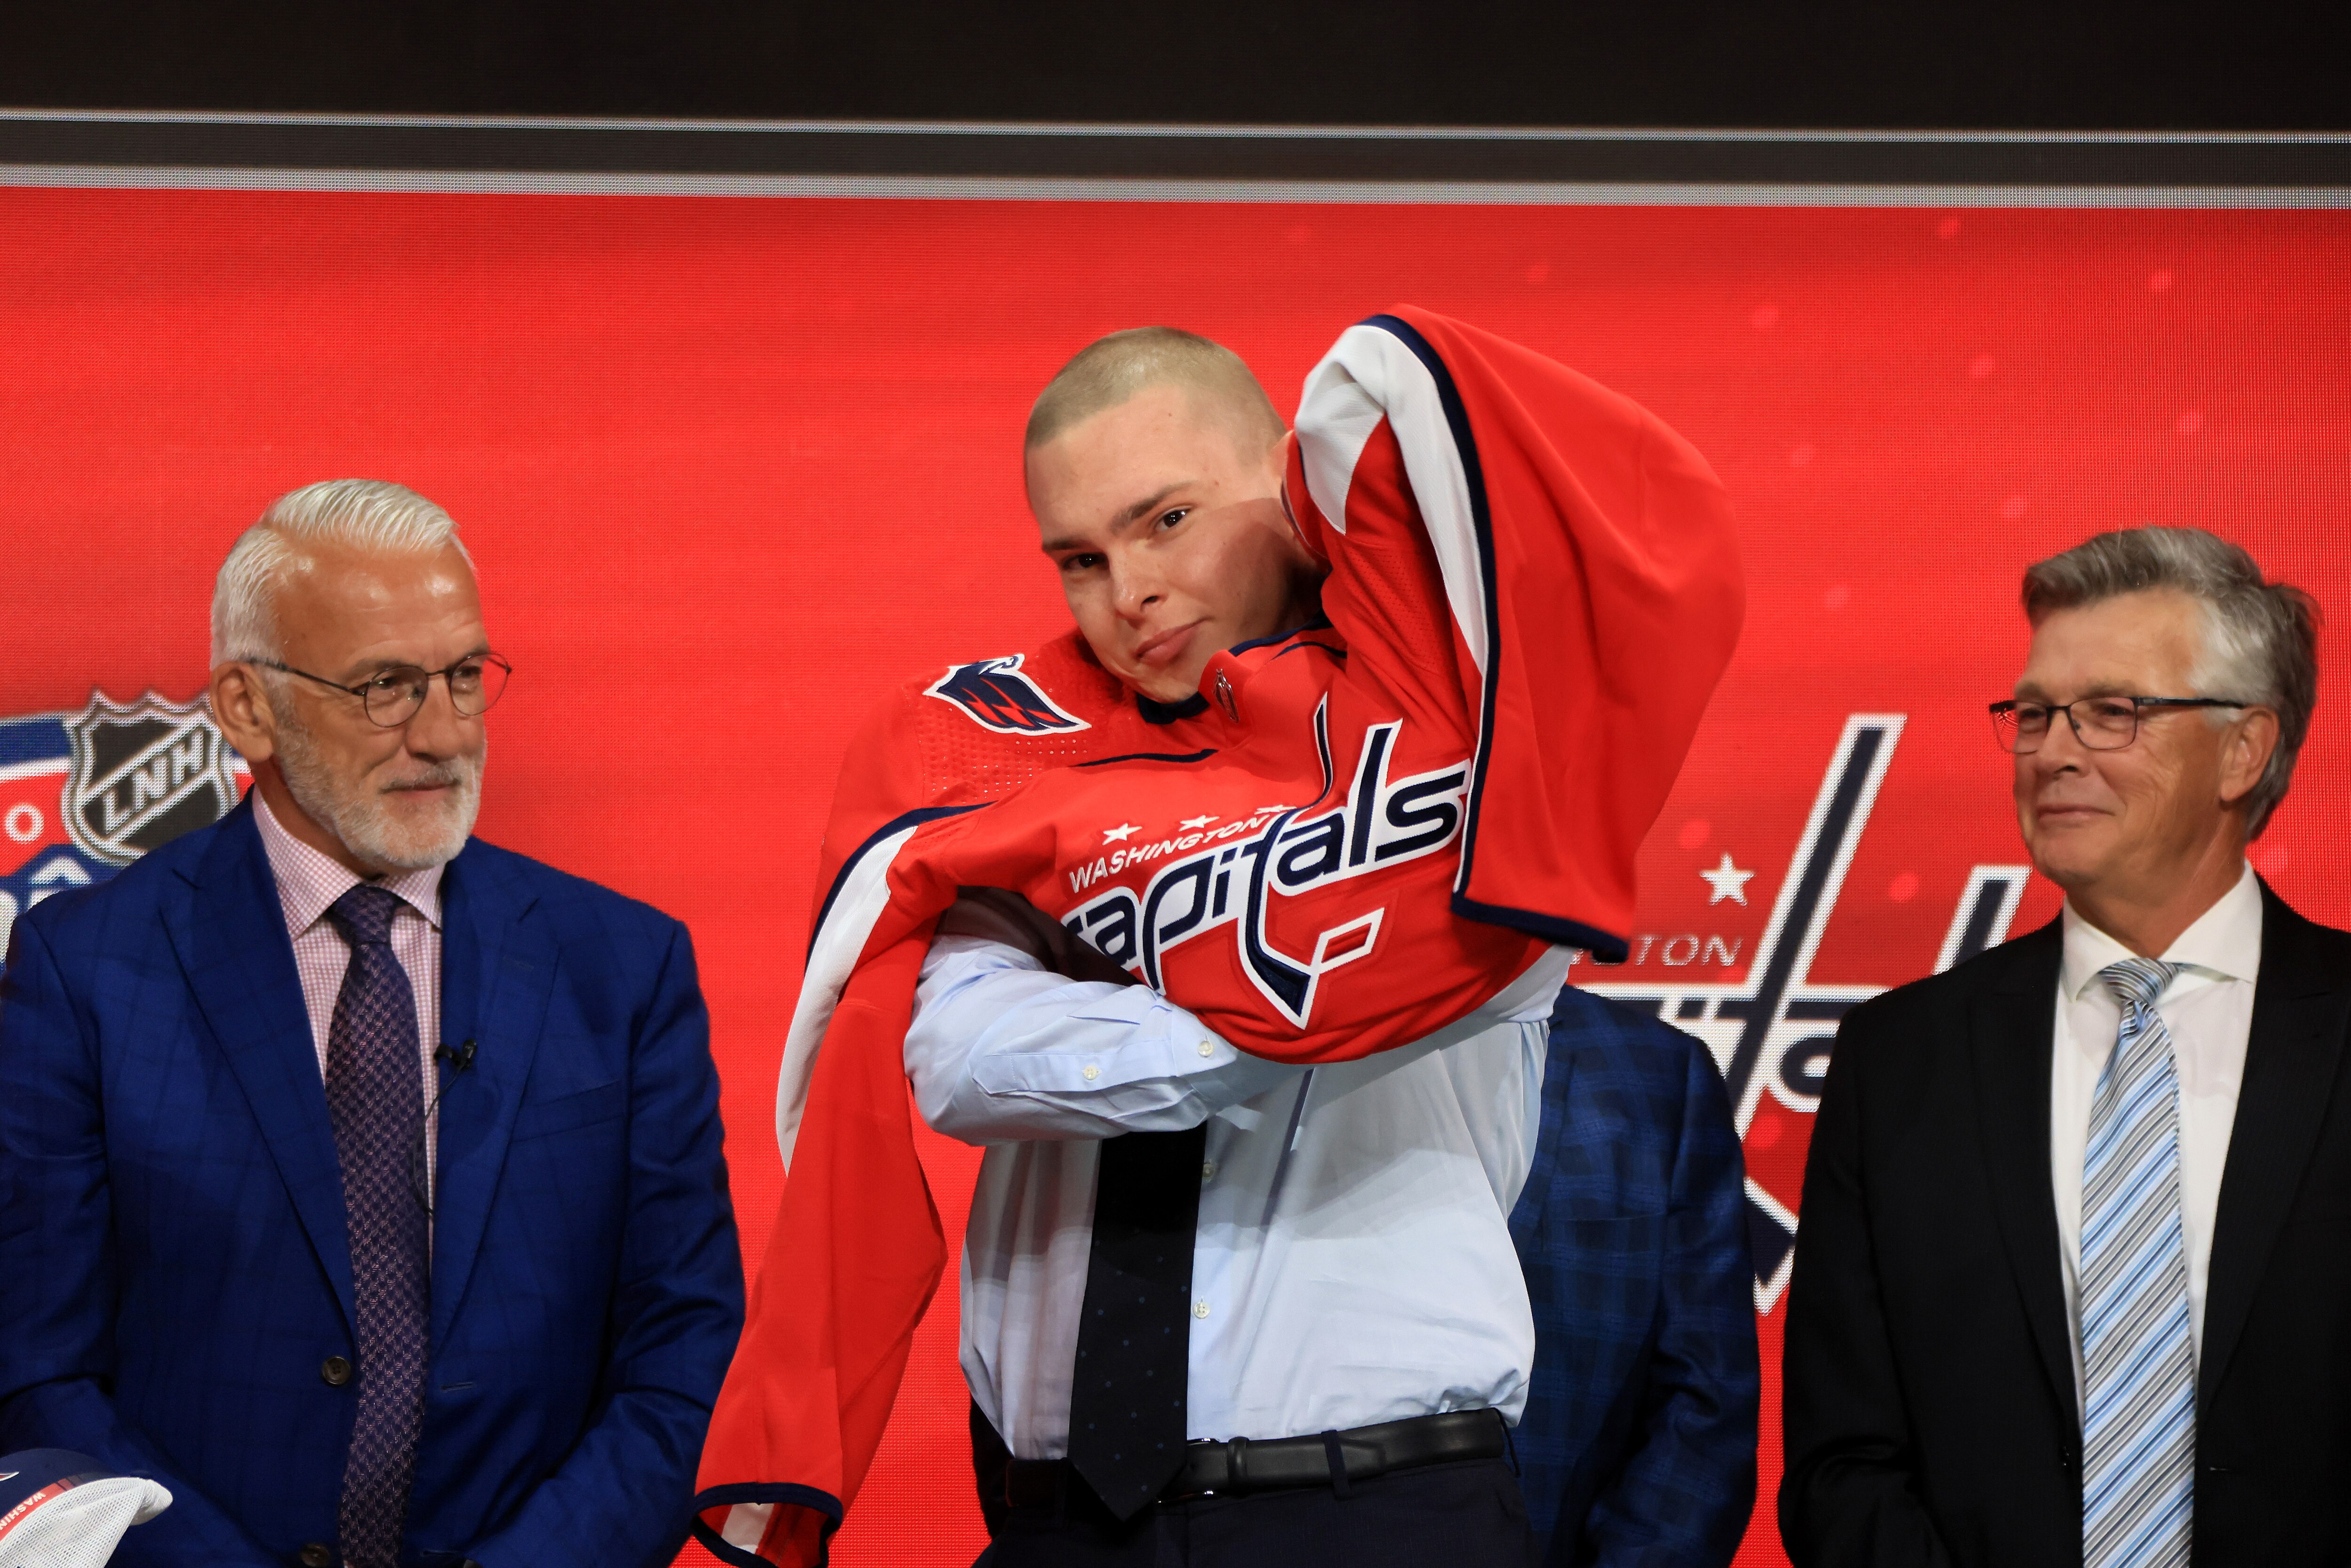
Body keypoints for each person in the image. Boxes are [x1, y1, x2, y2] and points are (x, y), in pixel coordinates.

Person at [899, 327, 1755, 1565]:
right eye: (1078, 557)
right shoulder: (1026, 777)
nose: (1126, 591)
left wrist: (1147, 955)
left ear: (1288, 485)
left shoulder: (1461, 764)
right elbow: (964, 1060)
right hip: (1055, 1523)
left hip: (1377, 1513)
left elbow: (1432, 984)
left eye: (1168, 519)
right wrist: (1265, 993)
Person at [0, 481, 745, 1568]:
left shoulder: (622, 968)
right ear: (249, 707)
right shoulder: (86, 971)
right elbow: (35, 1367)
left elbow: (683, 1351)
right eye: (385, 688)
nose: (442, 733)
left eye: (461, 677)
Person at [1779, 527, 2345, 1568]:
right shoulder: (1896, 1062)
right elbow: (1841, 1463)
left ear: (2243, 750)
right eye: (2034, 714)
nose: (2052, 751)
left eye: (2111, 712)